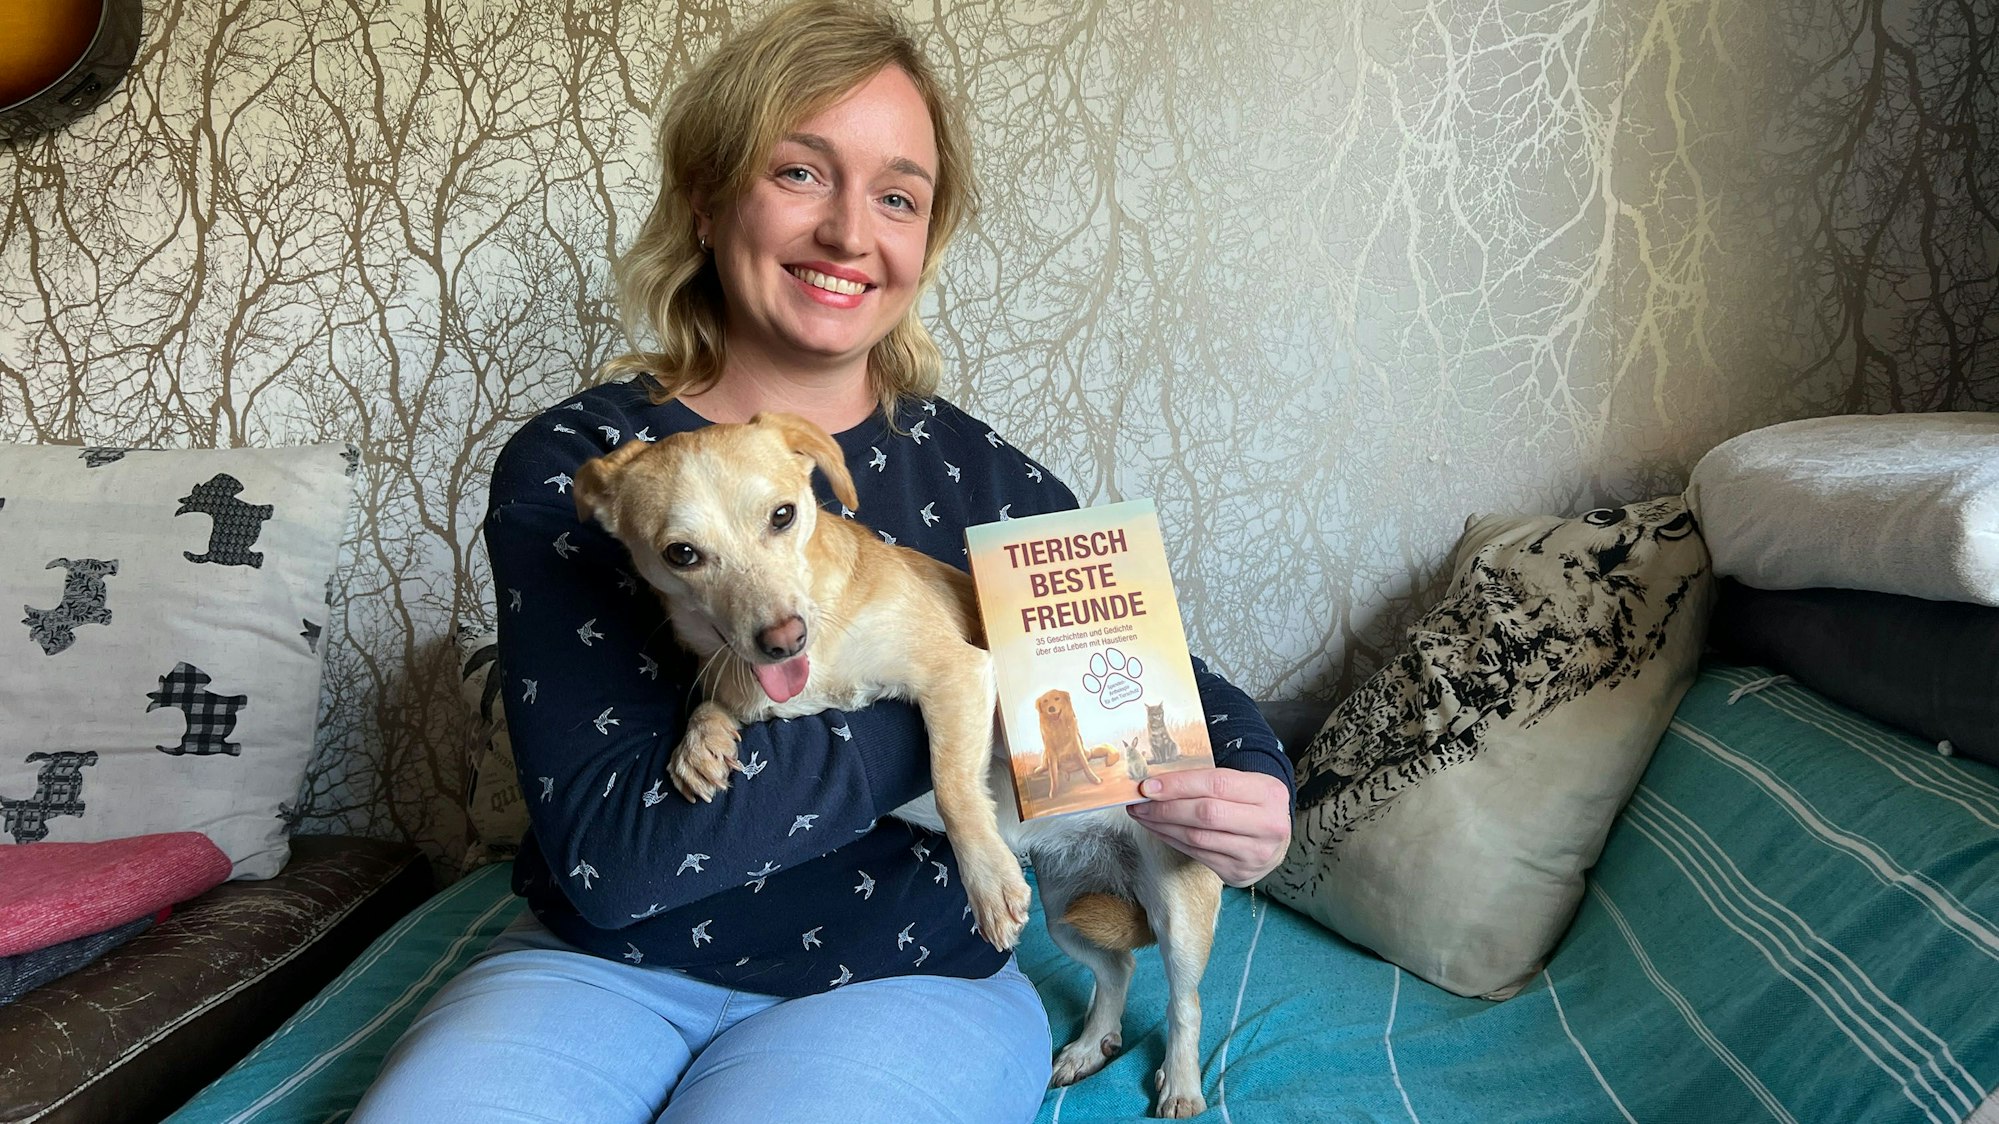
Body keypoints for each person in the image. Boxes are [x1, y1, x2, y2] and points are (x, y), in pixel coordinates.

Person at [351, 3, 1292, 1121]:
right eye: (800, 172)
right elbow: (618, 858)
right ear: (706, 200)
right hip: (604, 964)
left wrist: (1255, 782)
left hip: (911, 973)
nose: (851, 233)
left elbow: (1144, 673)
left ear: (923, 238)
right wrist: (963, 687)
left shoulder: (980, 472)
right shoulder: (587, 469)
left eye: (896, 195)